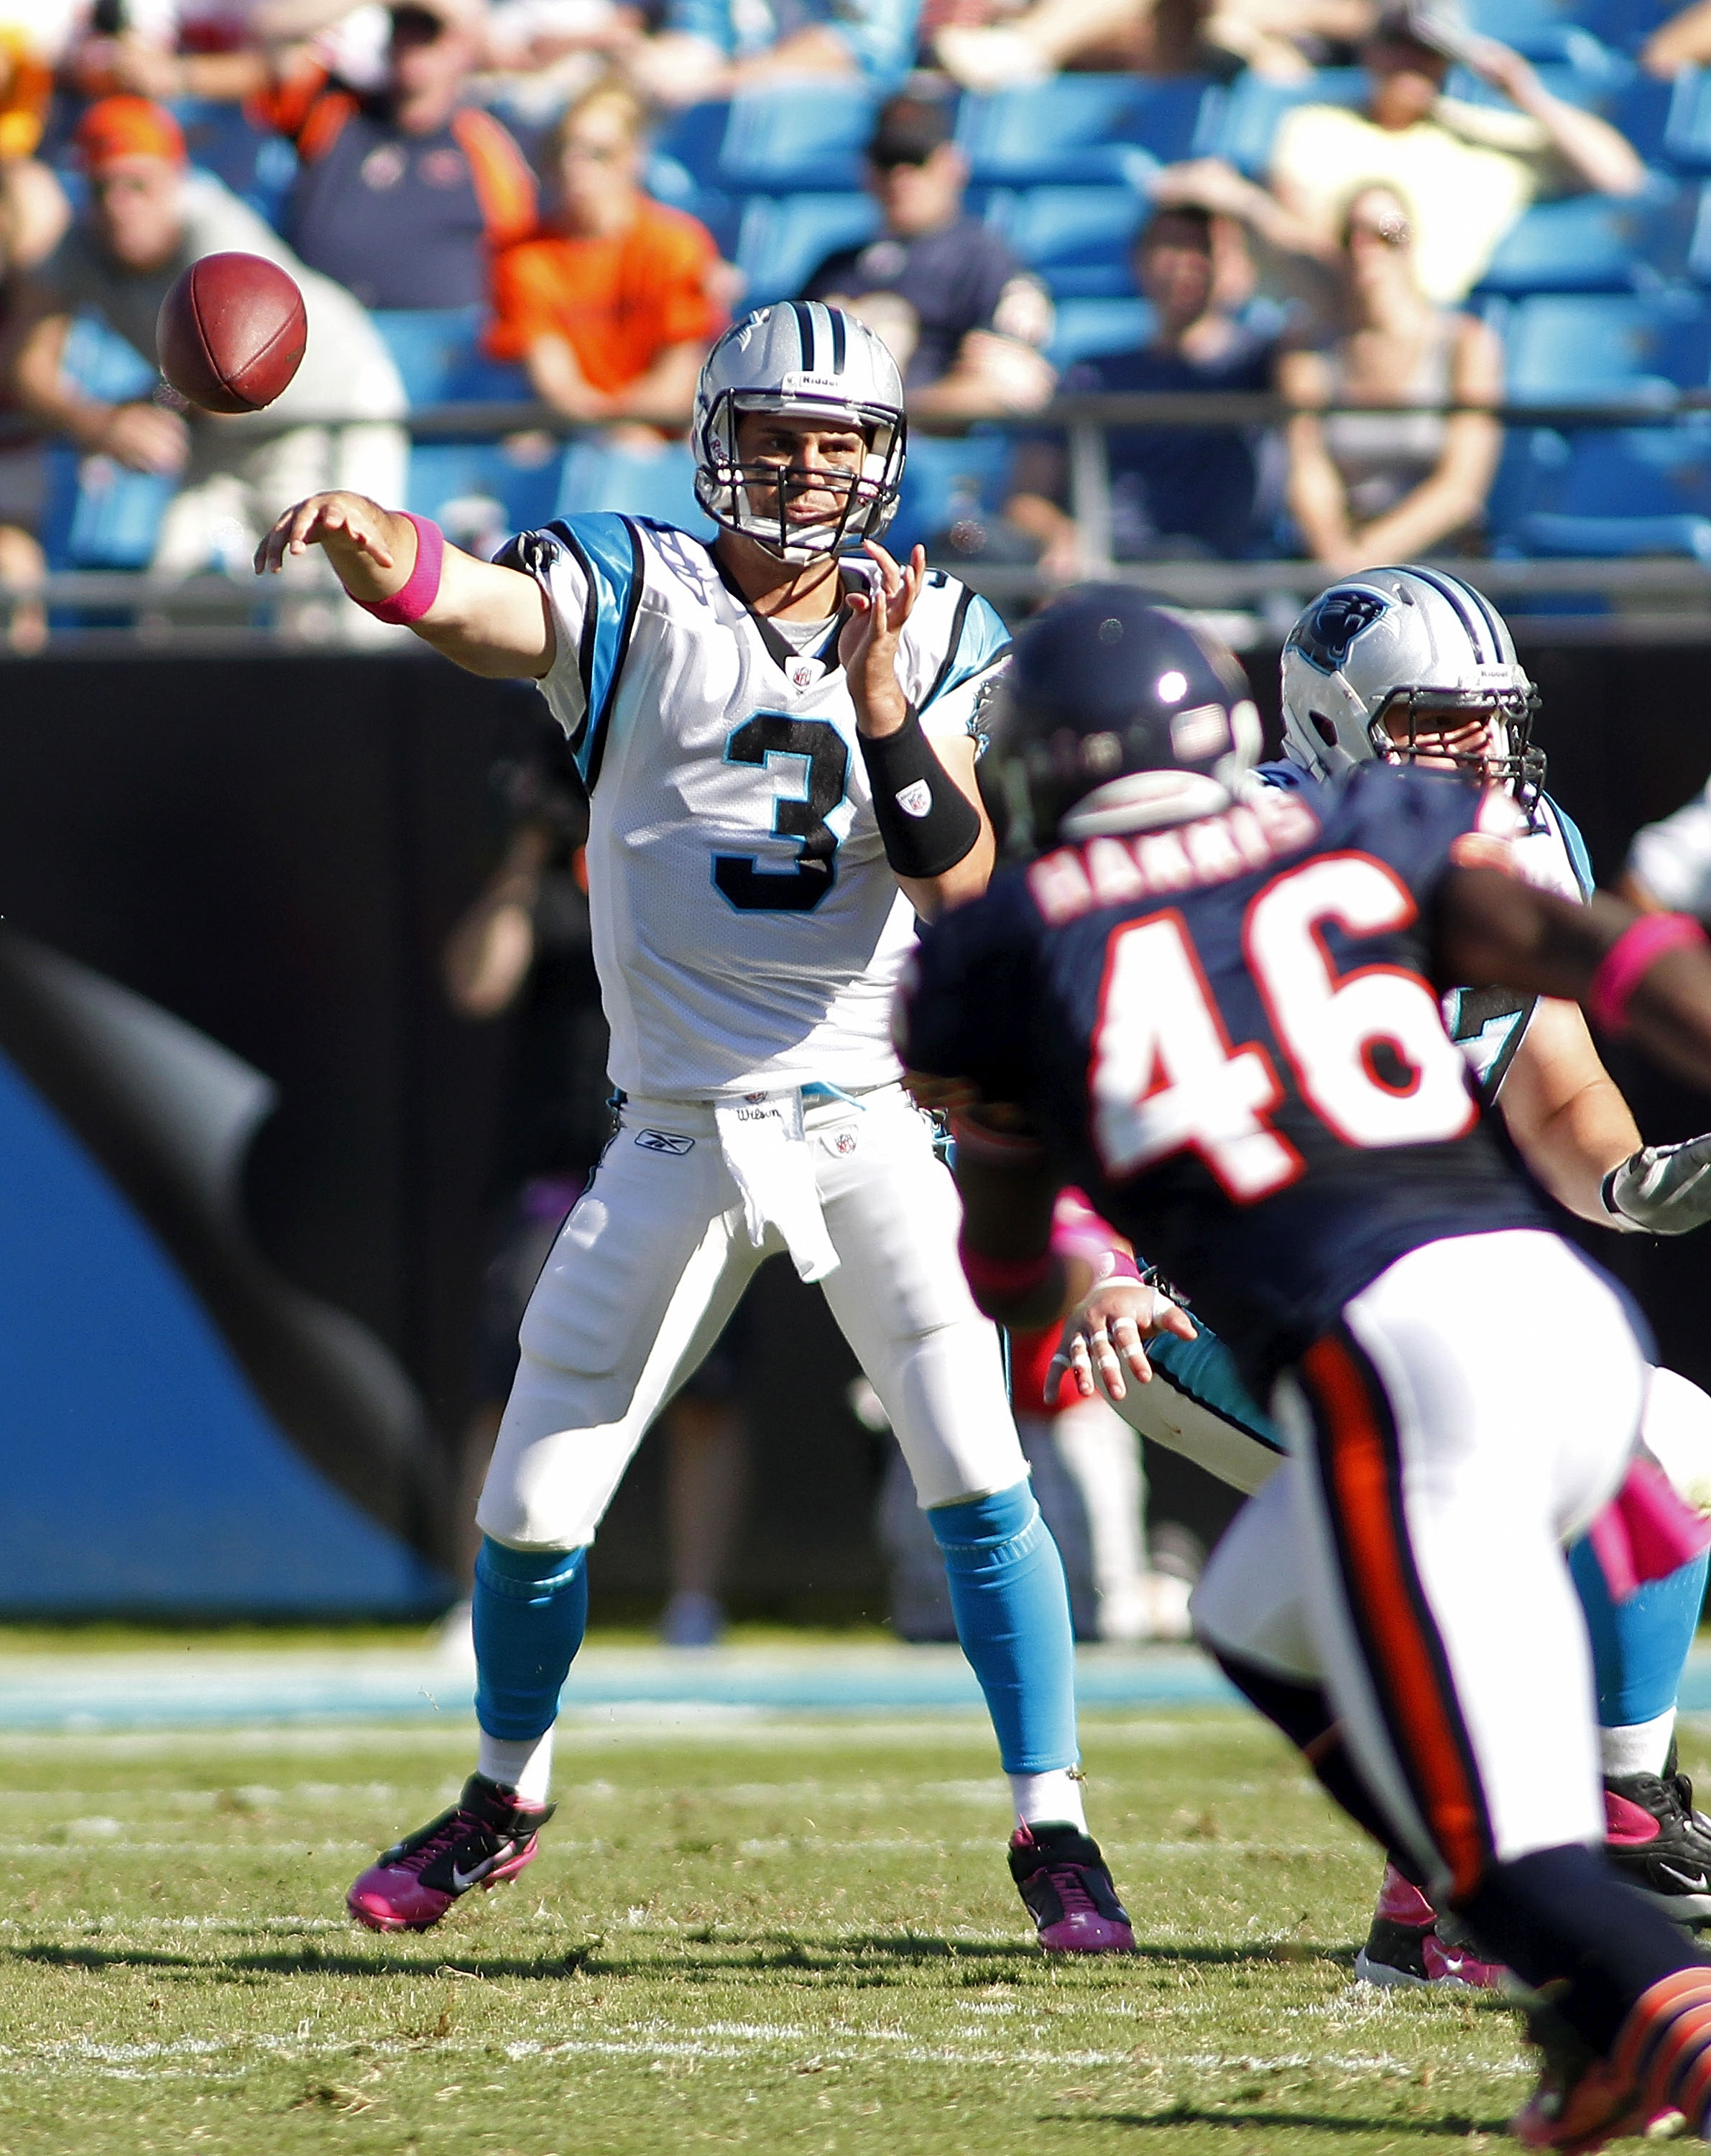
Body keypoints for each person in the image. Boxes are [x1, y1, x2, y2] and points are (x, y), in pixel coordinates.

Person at [257, 298, 1138, 1956]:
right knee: (529, 1501)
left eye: (838, 441)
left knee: (974, 1465)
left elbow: (958, 880)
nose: (806, 472)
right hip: (670, 1122)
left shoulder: (939, 625)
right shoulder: (640, 582)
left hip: (872, 1114)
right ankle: (501, 1795)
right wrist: (386, 555)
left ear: (884, 461)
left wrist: (881, 700)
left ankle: (1056, 1824)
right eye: (779, 435)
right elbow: (485, 611)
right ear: (718, 441)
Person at [898, 581, 1711, 2151]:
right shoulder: (1362, 841)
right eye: (1427, 722)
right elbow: (1612, 960)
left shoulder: (998, 948)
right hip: (1526, 1314)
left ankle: (1603, 1959)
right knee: (1249, 1611)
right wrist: (1101, 1278)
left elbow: (997, 1229)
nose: (1464, 749)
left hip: (1380, 1355)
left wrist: (1035, 1289)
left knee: (1512, 1855)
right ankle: (1564, 1939)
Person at [442, 724, 754, 1649]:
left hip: (685, 1144)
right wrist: (527, 849)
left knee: (707, 1385)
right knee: (510, 1374)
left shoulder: (676, 848)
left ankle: (695, 1601)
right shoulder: (541, 877)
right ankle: (478, 1599)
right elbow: (477, 981)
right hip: (562, 1164)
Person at [4, 96, 407, 586]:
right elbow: (27, 364)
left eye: (138, 185)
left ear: (176, 178)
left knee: (338, 603)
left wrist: (151, 405)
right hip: (222, 434)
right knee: (175, 599)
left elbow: (232, 379)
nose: (120, 205)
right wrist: (99, 424)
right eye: (102, 187)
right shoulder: (81, 244)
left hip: (329, 411)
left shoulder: (214, 237)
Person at [1268, 4, 1646, 306]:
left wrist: (1528, 95)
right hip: (1338, 311)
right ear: (1370, 50)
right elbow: (1302, 231)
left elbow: (1621, 177)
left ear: (1446, 61)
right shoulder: (1317, 127)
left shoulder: (1484, 134)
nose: (1407, 62)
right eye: (1395, 43)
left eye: (1425, 50)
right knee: (1382, 217)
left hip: (1440, 324)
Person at [1004, 203, 1280, 577]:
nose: (1187, 263)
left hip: (1219, 577)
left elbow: (1342, 300)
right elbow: (1026, 497)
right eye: (1171, 246)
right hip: (1106, 575)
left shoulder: (1265, 366)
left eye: (1204, 248)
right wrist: (1059, 533)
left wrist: (1242, 203)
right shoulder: (1093, 377)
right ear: (1139, 261)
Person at [253, 0, 538, 313]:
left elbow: (519, 242)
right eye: (402, 31)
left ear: (462, 51)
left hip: (439, 336)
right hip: (323, 319)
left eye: (428, 37)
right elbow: (270, 30)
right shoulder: (336, 111)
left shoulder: (484, 141)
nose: (411, 47)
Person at [483, 77, 724, 438]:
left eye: (599, 153)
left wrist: (623, 428)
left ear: (633, 157)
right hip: (572, 431)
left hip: (663, 434)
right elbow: (556, 384)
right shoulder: (526, 256)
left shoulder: (676, 243)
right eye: (564, 150)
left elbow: (677, 380)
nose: (575, 167)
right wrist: (614, 430)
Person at [1279, 183, 1501, 573]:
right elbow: (1308, 473)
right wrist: (1337, 556)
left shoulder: (1466, 344)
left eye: (1386, 232)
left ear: (1410, 242)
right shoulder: (1309, 354)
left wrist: (1363, 558)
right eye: (1353, 236)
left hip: (1438, 565)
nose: (1368, 248)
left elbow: (1459, 489)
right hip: (1337, 565)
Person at [803, 91, 1056, 422]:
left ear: (952, 166)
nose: (900, 177)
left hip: (932, 454)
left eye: (916, 159)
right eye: (887, 161)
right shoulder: (836, 264)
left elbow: (1005, 389)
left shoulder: (983, 259)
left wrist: (883, 416)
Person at [933, 0, 1375, 91]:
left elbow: (1374, 18)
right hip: (1191, 51)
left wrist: (1269, 13)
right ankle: (1023, 47)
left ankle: (1026, 47)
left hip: (1292, 70)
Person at [633, 0, 920, 106]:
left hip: (845, 123)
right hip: (739, 105)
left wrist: (734, 78)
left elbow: (868, 47)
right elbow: (701, 33)